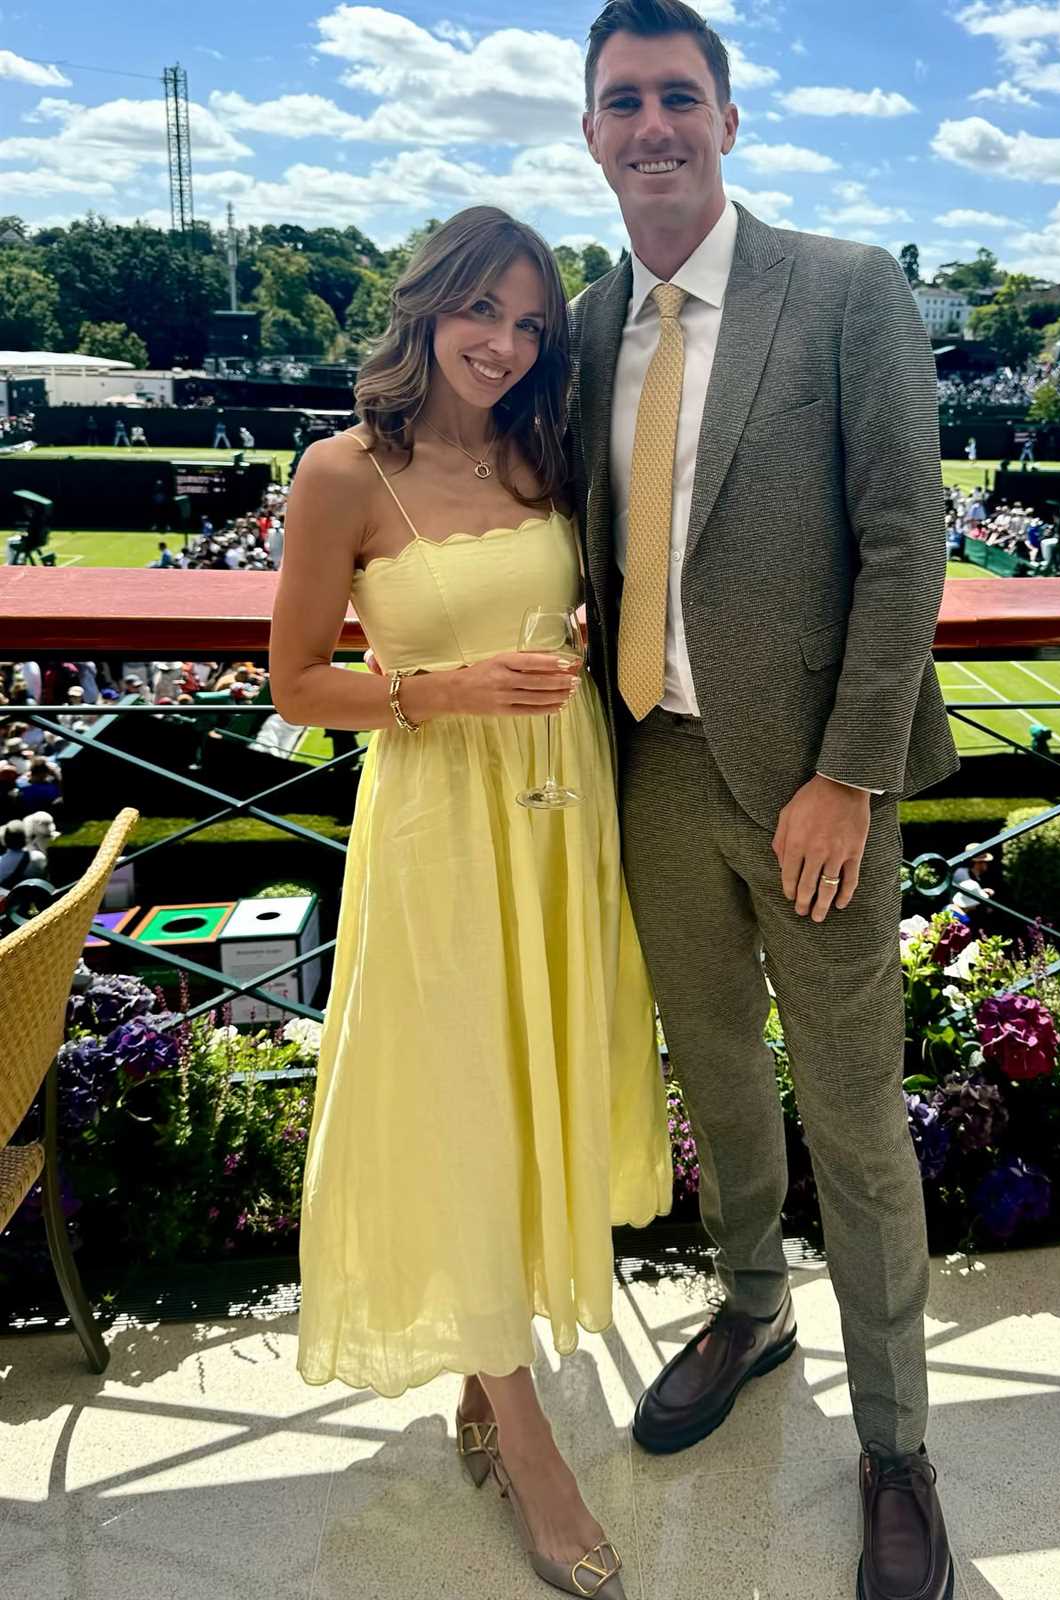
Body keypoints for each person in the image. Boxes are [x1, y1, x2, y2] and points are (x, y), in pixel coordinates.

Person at [572, 6, 958, 1598]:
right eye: (621, 101)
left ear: (727, 118)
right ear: (589, 133)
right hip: (651, 771)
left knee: (858, 1123)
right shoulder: (584, 323)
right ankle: (750, 1303)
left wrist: (851, 773)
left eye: (677, 95)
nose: (651, 123)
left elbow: (904, 538)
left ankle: (896, 1448)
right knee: (720, 1081)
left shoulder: (848, 287)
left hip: (816, 791)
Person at [270, 206, 669, 1600]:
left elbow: (581, 597)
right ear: (427, 305)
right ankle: (533, 1452)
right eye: (480, 313)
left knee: (527, 1094)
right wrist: (436, 690)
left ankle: (488, 1392)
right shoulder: (341, 474)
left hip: (561, 826)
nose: (502, 344)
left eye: (528, 324)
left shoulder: (542, 448)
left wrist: (562, 634)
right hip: (440, 834)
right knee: (461, 1110)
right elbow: (295, 686)